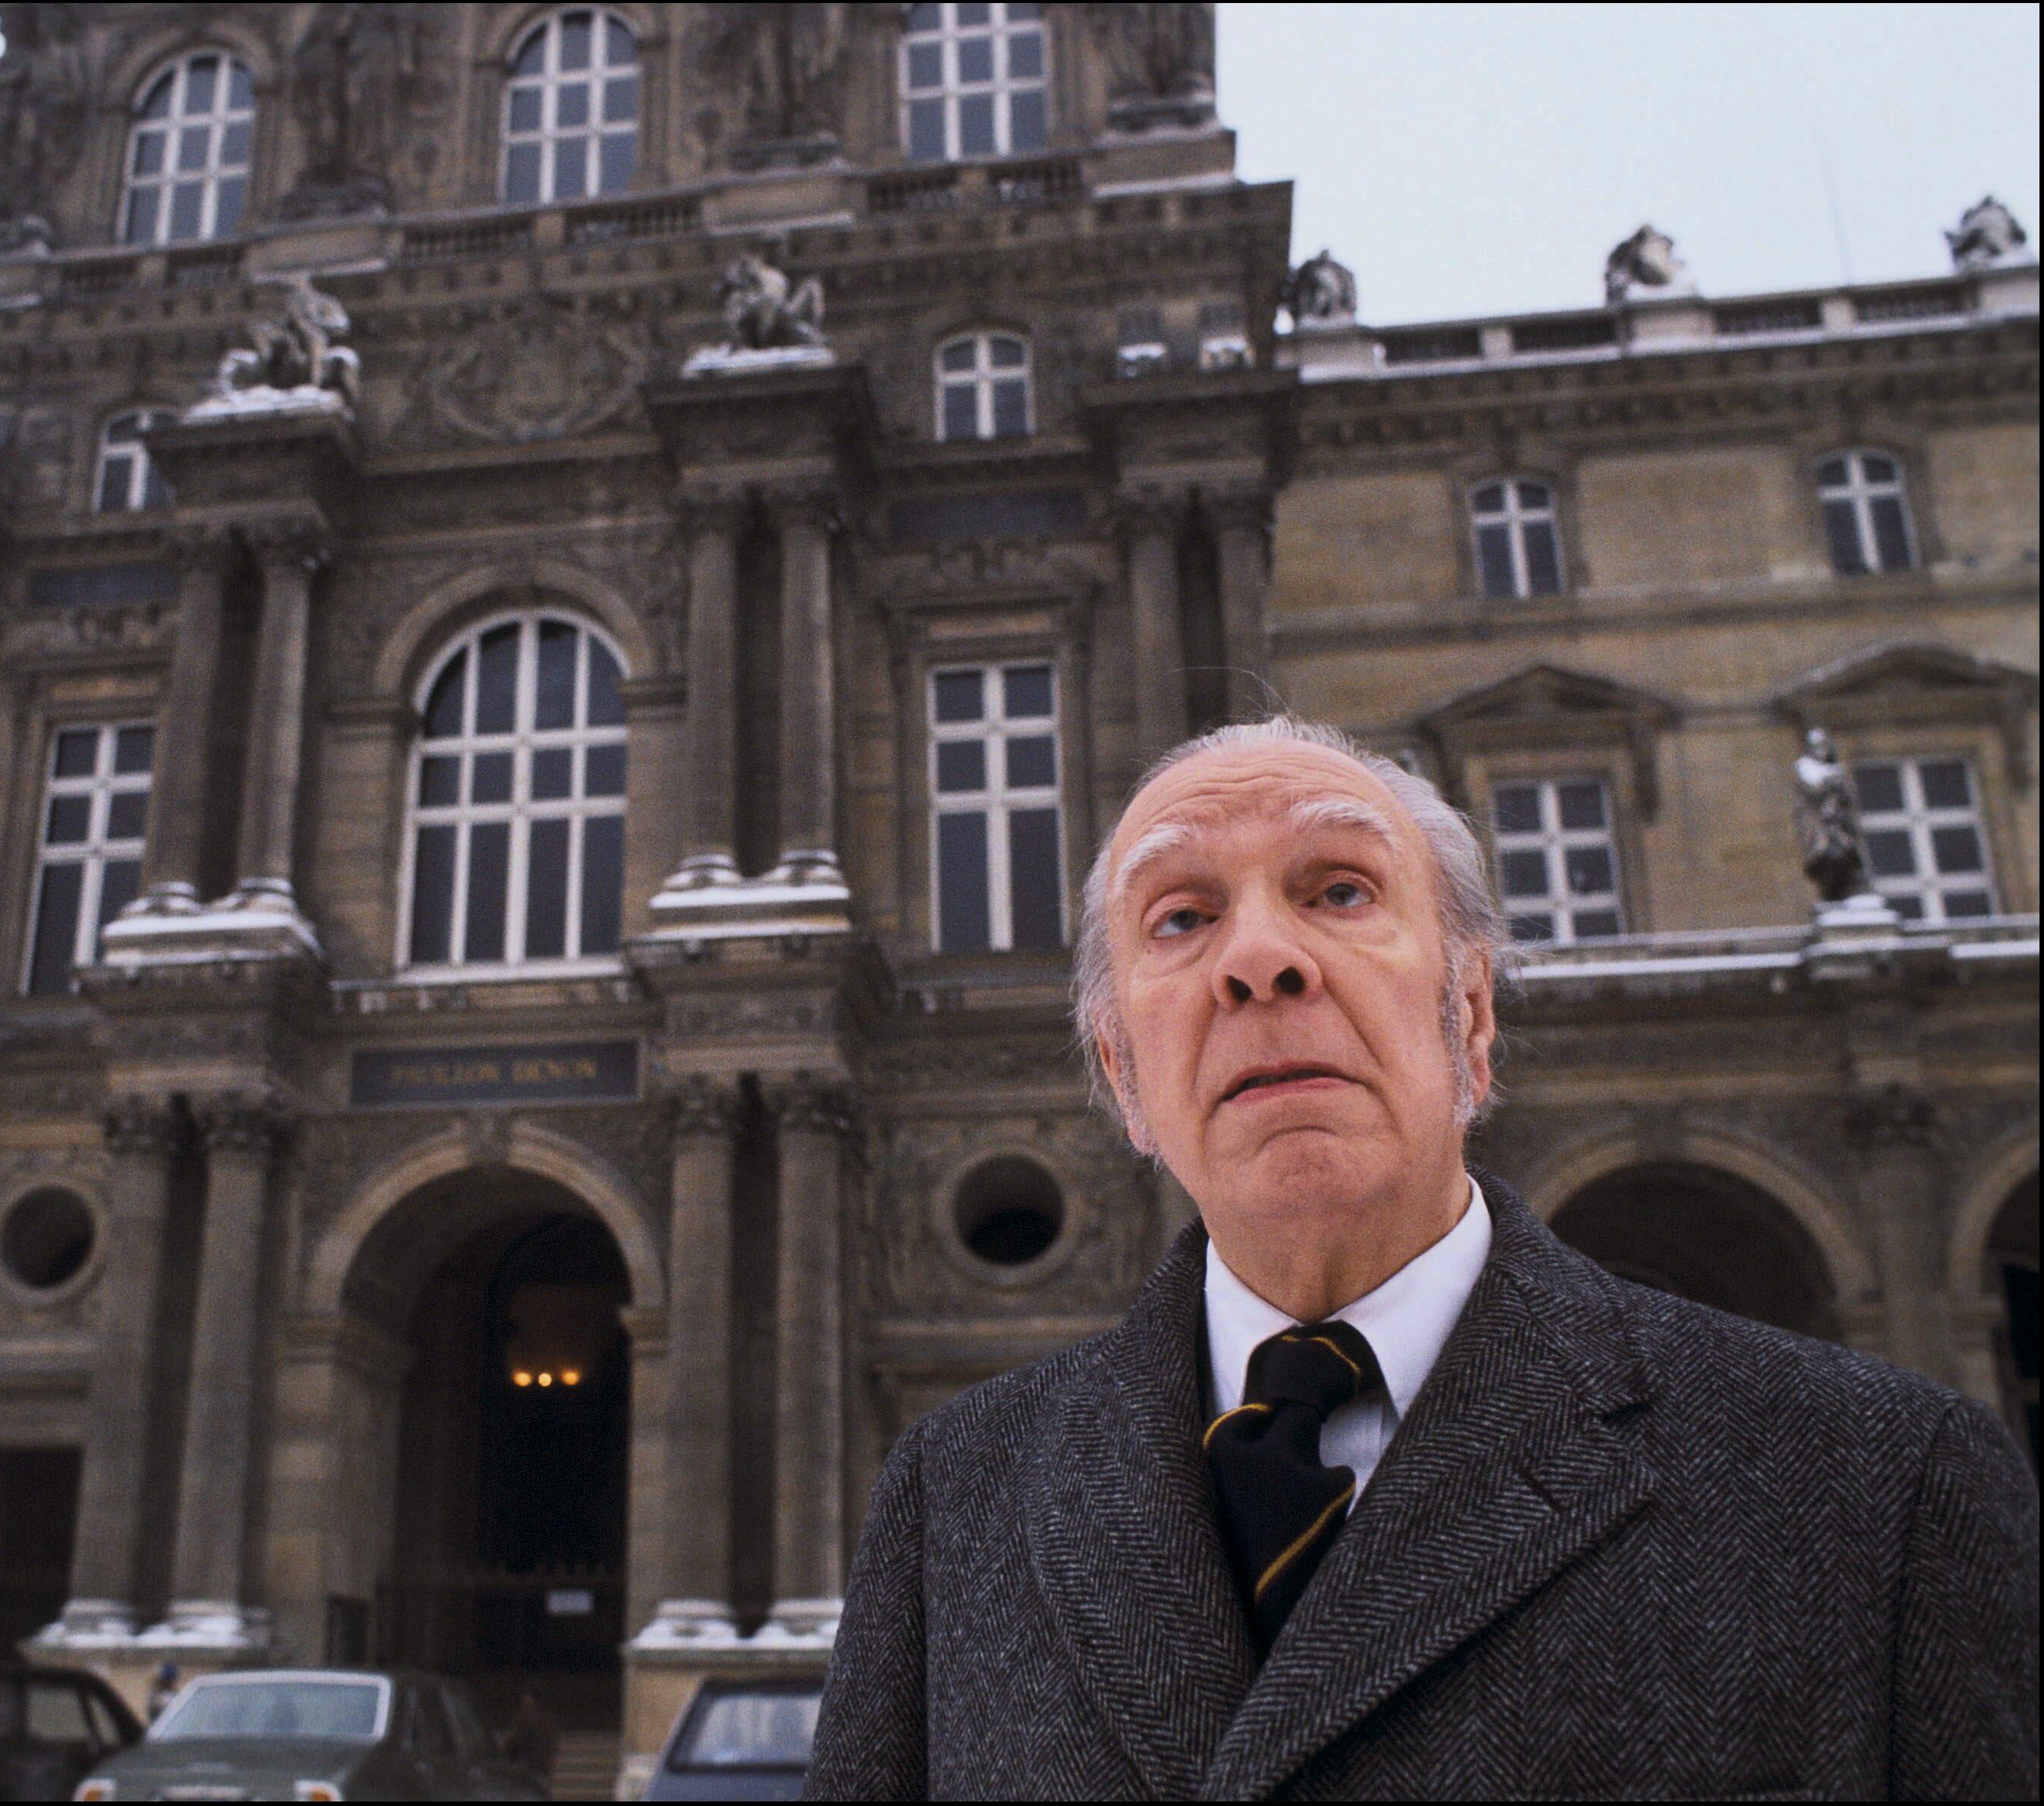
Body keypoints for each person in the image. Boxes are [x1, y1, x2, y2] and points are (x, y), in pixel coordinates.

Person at [806, 715, 2038, 1799]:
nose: (1257, 959)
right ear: (1123, 1077)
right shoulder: (948, 1496)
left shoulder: (1883, 1485)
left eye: (1338, 891)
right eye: (1180, 917)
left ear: (1472, 1017)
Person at [500, 1684, 556, 1786]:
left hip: (530, 1764)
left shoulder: (538, 1721)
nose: (525, 1702)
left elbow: (547, 1744)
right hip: (526, 1764)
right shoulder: (523, 1719)